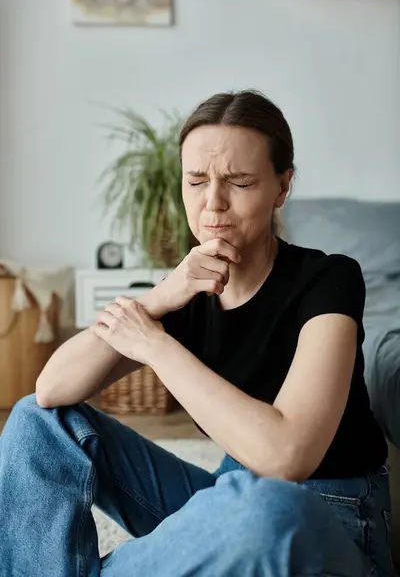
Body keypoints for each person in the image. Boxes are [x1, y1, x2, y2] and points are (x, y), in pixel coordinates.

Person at [0, 90, 392, 577]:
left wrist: (155, 345)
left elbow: (286, 457)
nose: (213, 204)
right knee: (36, 423)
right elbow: (51, 389)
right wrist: (163, 295)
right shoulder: (187, 290)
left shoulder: (330, 279)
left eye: (240, 182)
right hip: (225, 502)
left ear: (282, 187)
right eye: (196, 181)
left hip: (319, 520)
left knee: (268, 508)